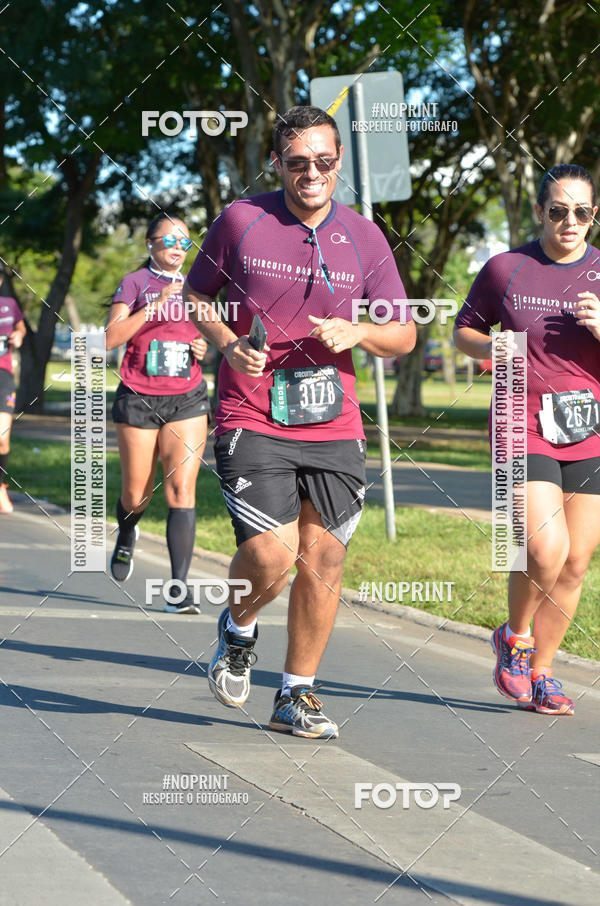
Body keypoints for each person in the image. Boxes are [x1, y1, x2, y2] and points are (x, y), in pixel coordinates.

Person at [183, 105, 416, 738]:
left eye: (324, 161)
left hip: (334, 421)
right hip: (251, 409)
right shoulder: (242, 220)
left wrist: (361, 331)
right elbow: (196, 294)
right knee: (270, 554)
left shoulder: (366, 237)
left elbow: (405, 332)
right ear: (277, 163)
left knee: (325, 558)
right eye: (296, 162)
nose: (310, 173)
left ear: (339, 162)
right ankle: (238, 626)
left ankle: (296, 694)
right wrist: (228, 343)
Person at [454, 163, 600, 716]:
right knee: (544, 548)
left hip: (588, 429)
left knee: (576, 561)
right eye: (558, 210)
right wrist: (491, 350)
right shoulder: (505, 270)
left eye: (582, 212)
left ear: (594, 217)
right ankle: (514, 638)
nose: (570, 221)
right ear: (539, 211)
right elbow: (464, 328)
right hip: (521, 421)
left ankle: (543, 673)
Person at [105, 214, 209, 613]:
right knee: (136, 494)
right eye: (167, 239)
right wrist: (156, 304)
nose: (176, 247)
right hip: (138, 397)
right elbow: (109, 338)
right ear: (150, 244)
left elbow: (212, 329)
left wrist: (204, 345)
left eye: (184, 240)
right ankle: (128, 531)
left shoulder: (201, 284)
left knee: (181, 490)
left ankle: (178, 590)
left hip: (187, 397)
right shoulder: (134, 283)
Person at [0, 284, 26, 513]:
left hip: (3, 375)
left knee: (2, 436)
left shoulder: (9, 305)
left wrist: (18, 334)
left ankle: (0, 486)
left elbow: (21, 327)